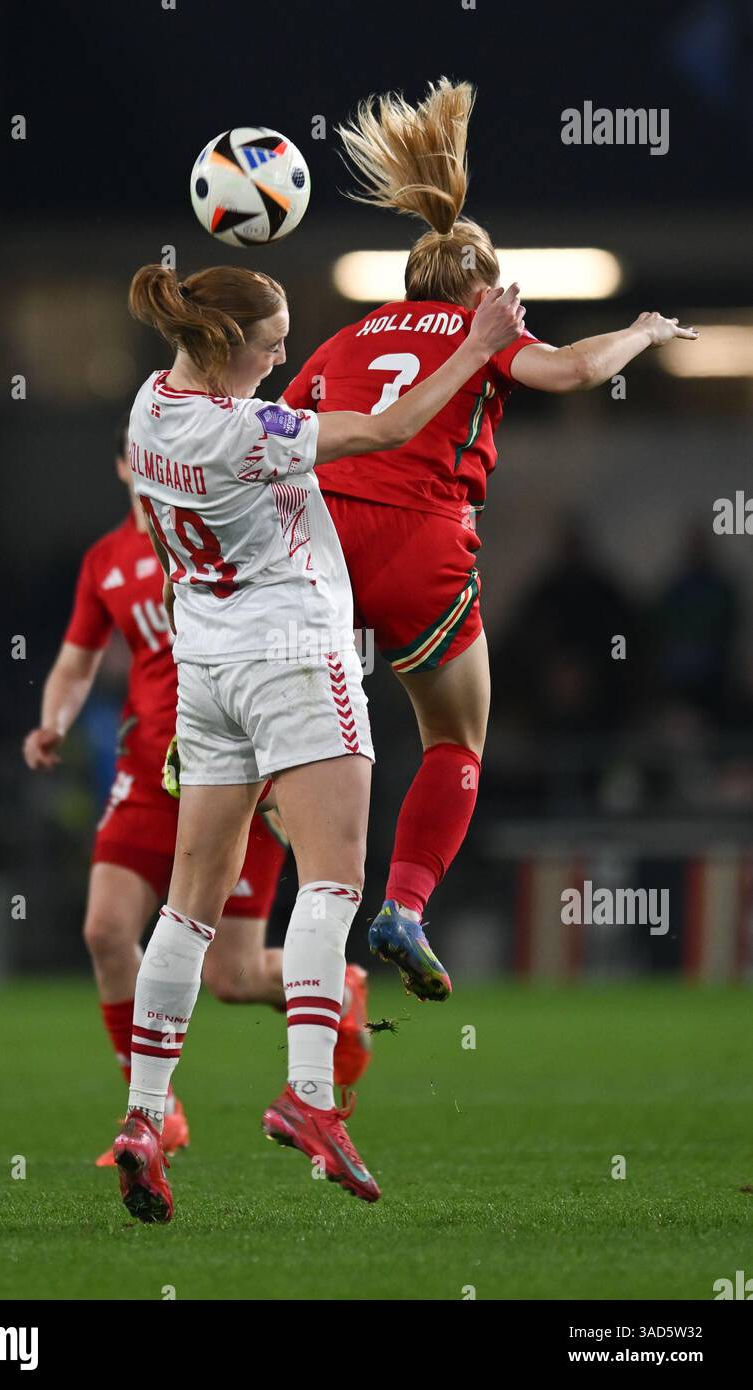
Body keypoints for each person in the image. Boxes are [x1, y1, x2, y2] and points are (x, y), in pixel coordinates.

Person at [111, 259, 525, 1220]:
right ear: (228, 347)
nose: (285, 354)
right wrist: (477, 343)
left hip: (206, 668)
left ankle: (140, 1117)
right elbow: (383, 429)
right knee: (332, 881)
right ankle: (308, 1097)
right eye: (272, 342)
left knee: (185, 911)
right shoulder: (251, 432)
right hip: (295, 652)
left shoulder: (147, 411)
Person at [282, 76, 698, 1001]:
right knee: (456, 739)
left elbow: (269, 437)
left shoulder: (346, 339)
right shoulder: (483, 327)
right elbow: (575, 369)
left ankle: (245, 786)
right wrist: (638, 331)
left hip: (316, 545)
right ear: (477, 285)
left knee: (298, 722)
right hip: (417, 547)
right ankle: (406, 904)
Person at [23, 424, 371, 1166]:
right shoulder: (108, 562)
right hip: (151, 772)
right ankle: (155, 1111)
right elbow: (76, 662)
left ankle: (333, 987)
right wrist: (53, 721)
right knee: (106, 929)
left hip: (239, 761)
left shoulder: (222, 523)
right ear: (129, 464)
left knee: (234, 975)